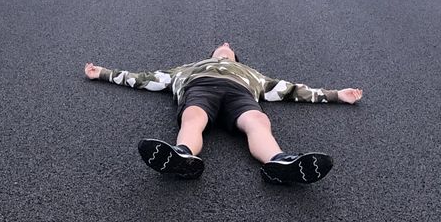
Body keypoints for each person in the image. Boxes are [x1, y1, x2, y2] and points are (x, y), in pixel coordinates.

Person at [84, 42, 363, 185]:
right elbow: (145, 78)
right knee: (194, 115)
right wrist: (104, 74)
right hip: (201, 87)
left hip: (240, 93)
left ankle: (279, 163)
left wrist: (336, 94)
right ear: (213, 54)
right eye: (221, 46)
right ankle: (182, 154)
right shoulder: (190, 67)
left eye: (229, 47)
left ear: (234, 58)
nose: (225, 45)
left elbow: (291, 90)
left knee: (258, 120)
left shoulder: (251, 74)